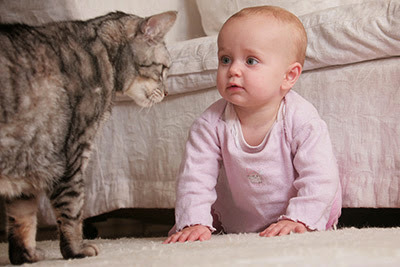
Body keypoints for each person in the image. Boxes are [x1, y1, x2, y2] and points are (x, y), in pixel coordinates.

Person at [163, 5, 341, 244]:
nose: (233, 70)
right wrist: (194, 220)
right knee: (197, 221)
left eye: (250, 60)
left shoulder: (301, 119)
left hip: (304, 209)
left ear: (289, 76)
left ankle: (300, 220)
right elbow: (194, 177)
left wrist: (300, 219)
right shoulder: (209, 124)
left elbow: (320, 177)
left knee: (312, 208)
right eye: (225, 59)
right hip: (240, 216)